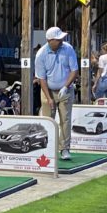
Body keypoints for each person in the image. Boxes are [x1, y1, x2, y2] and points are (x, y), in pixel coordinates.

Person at [34, 27, 78, 161]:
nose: (61, 41)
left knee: (65, 119)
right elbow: (41, 78)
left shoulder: (68, 48)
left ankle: (64, 148)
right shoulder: (41, 54)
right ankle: (48, 148)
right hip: (48, 90)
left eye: (61, 38)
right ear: (50, 40)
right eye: (58, 39)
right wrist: (49, 98)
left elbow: (74, 70)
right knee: (48, 120)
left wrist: (66, 86)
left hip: (66, 89)